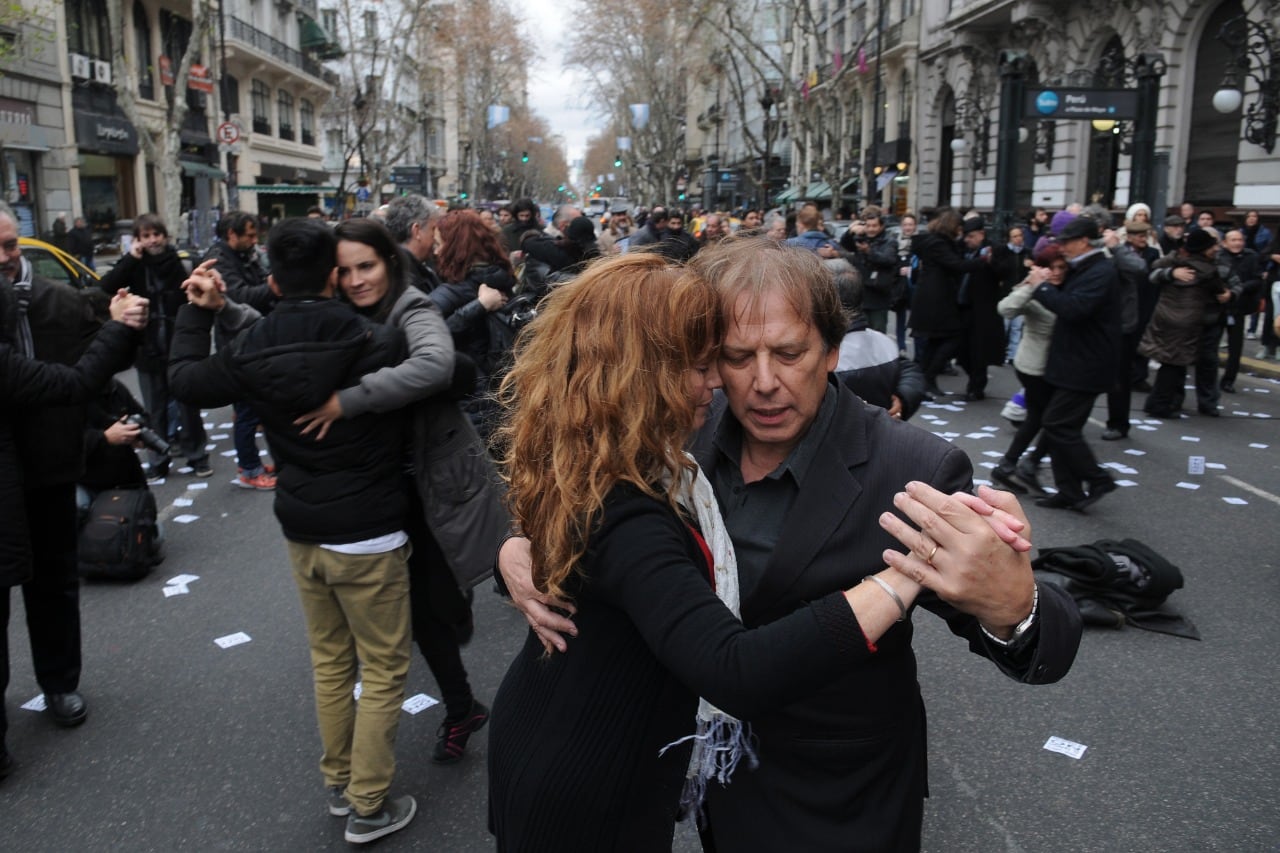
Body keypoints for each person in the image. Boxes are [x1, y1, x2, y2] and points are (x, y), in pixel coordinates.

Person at [500, 237, 1082, 852]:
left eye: (788, 352)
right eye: (735, 357)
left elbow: (1039, 640)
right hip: (703, 780)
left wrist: (1017, 606)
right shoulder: (679, 429)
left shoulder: (912, 470)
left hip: (838, 802)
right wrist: (514, 551)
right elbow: (587, 501)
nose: (764, 383)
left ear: (831, 350)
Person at [171, 219, 417, 844]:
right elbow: (449, 370)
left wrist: (198, 313)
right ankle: (369, 804)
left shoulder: (252, 348)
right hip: (369, 530)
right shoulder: (376, 340)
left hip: (303, 527)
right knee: (384, 667)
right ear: (335, 275)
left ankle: (340, 783)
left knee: (331, 661)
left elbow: (186, 383)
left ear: (273, 281)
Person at [292, 218, 504, 764]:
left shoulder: (412, 307)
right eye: (345, 270)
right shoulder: (335, 314)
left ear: (388, 261)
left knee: (432, 610)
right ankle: (463, 703)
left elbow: (435, 364)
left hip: (428, 485)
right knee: (418, 611)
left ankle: (459, 708)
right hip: (371, 492)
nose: (357, 279)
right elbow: (275, 343)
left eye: (367, 266)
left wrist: (348, 401)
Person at [1, 285, 148, 776]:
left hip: (52, 469)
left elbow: (104, 364)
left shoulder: (60, 301)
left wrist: (123, 324)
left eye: (7, 244)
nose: (3, 255)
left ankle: (60, 683)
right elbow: (74, 381)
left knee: (55, 584)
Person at [97, 213, 211, 480]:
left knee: (188, 404)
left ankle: (197, 457)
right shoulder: (134, 266)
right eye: (145, 236)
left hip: (179, 345)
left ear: (164, 236)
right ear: (137, 240)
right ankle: (159, 460)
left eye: (156, 234)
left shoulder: (179, 263)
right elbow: (105, 288)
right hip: (146, 348)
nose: (152, 241)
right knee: (155, 409)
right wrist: (131, 258)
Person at [1026, 216, 1122, 511]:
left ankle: (1097, 478)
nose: (1062, 248)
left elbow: (1074, 308)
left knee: (1057, 424)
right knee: (1062, 427)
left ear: (1083, 242)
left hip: (1086, 365)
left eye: (1066, 242)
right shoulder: (1085, 267)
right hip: (1072, 362)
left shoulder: (1101, 271)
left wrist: (1041, 287)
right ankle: (1069, 490)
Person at [203, 211, 277, 490]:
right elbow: (236, 297)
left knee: (257, 409)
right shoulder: (218, 260)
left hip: (255, 338)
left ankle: (253, 464)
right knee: (247, 412)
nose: (254, 240)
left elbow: (258, 283)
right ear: (231, 235)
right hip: (238, 344)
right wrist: (270, 287)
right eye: (249, 235)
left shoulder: (247, 255)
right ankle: (249, 469)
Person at [429, 209, 515, 438]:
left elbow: (428, 337)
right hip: (504, 394)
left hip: (469, 402)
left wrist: (478, 307)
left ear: (454, 246)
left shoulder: (451, 292)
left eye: (439, 244)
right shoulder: (500, 280)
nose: (436, 252)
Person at [992, 244, 1063, 495]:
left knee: (1040, 419)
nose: (1056, 273)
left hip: (1056, 368)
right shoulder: (1035, 289)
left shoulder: (1066, 287)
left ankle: (1010, 465)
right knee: (1054, 421)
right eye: (1051, 268)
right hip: (1034, 367)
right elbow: (1006, 308)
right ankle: (1024, 466)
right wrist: (1033, 285)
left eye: (1061, 268)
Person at [1140, 229, 1231, 418]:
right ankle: (1159, 405)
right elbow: (1219, 291)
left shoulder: (1176, 261)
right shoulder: (1207, 269)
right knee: (1174, 365)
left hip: (1164, 317)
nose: (1215, 249)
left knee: (1169, 362)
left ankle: (1159, 403)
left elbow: (1154, 269)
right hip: (1187, 322)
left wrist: (1171, 270)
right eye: (1211, 246)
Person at [828, 257, 926, 421]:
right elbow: (910, 371)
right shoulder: (883, 342)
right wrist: (904, 397)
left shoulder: (815, 350)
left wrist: (903, 397)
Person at [909, 208, 991, 398]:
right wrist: (983, 260)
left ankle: (924, 380)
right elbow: (957, 265)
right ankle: (928, 377)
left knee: (934, 341)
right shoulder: (938, 244)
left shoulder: (934, 242)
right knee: (952, 338)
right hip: (937, 299)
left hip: (932, 298)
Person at [1217, 229, 1262, 393]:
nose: (1237, 243)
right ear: (1225, 243)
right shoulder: (1218, 257)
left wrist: (1239, 289)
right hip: (1218, 306)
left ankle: (1228, 380)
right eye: (1233, 240)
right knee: (1209, 344)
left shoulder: (1251, 257)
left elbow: (1257, 280)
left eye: (1239, 240)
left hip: (1238, 307)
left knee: (1235, 348)